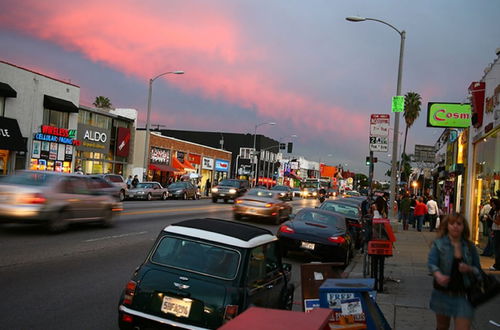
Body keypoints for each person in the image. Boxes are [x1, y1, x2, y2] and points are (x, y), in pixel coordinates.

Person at [428, 213, 481, 330]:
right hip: (442, 294)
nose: (455, 226)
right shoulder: (439, 244)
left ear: (463, 227)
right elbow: (432, 263)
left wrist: (469, 269)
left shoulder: (469, 247)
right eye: (452, 223)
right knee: (442, 327)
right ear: (447, 226)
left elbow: (479, 270)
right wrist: (439, 275)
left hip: (464, 295)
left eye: (459, 224)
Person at [490, 198, 500, 271]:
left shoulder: (498, 212)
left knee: (497, 249)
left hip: (498, 232)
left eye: (493, 204)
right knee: (496, 249)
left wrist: (491, 218)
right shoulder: (496, 212)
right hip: (496, 231)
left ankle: (497, 265)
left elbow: (498, 222)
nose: (492, 206)